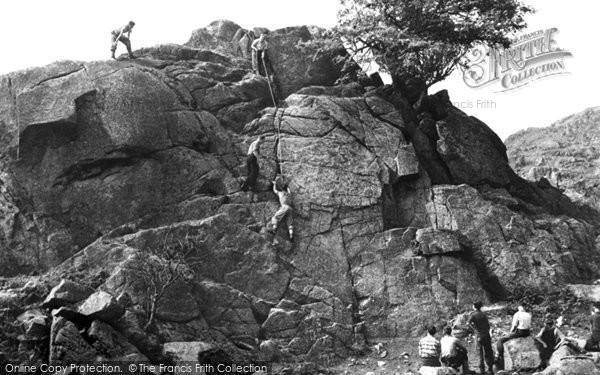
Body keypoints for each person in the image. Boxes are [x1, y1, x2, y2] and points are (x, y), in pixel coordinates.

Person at [467, 301, 494, 375]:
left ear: (474, 306)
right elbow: (488, 326)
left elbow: (468, 323)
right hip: (486, 334)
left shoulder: (473, 315)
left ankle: (482, 371)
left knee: (479, 353)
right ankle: (490, 369)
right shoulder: (483, 314)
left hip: (479, 335)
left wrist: (474, 330)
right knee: (488, 352)